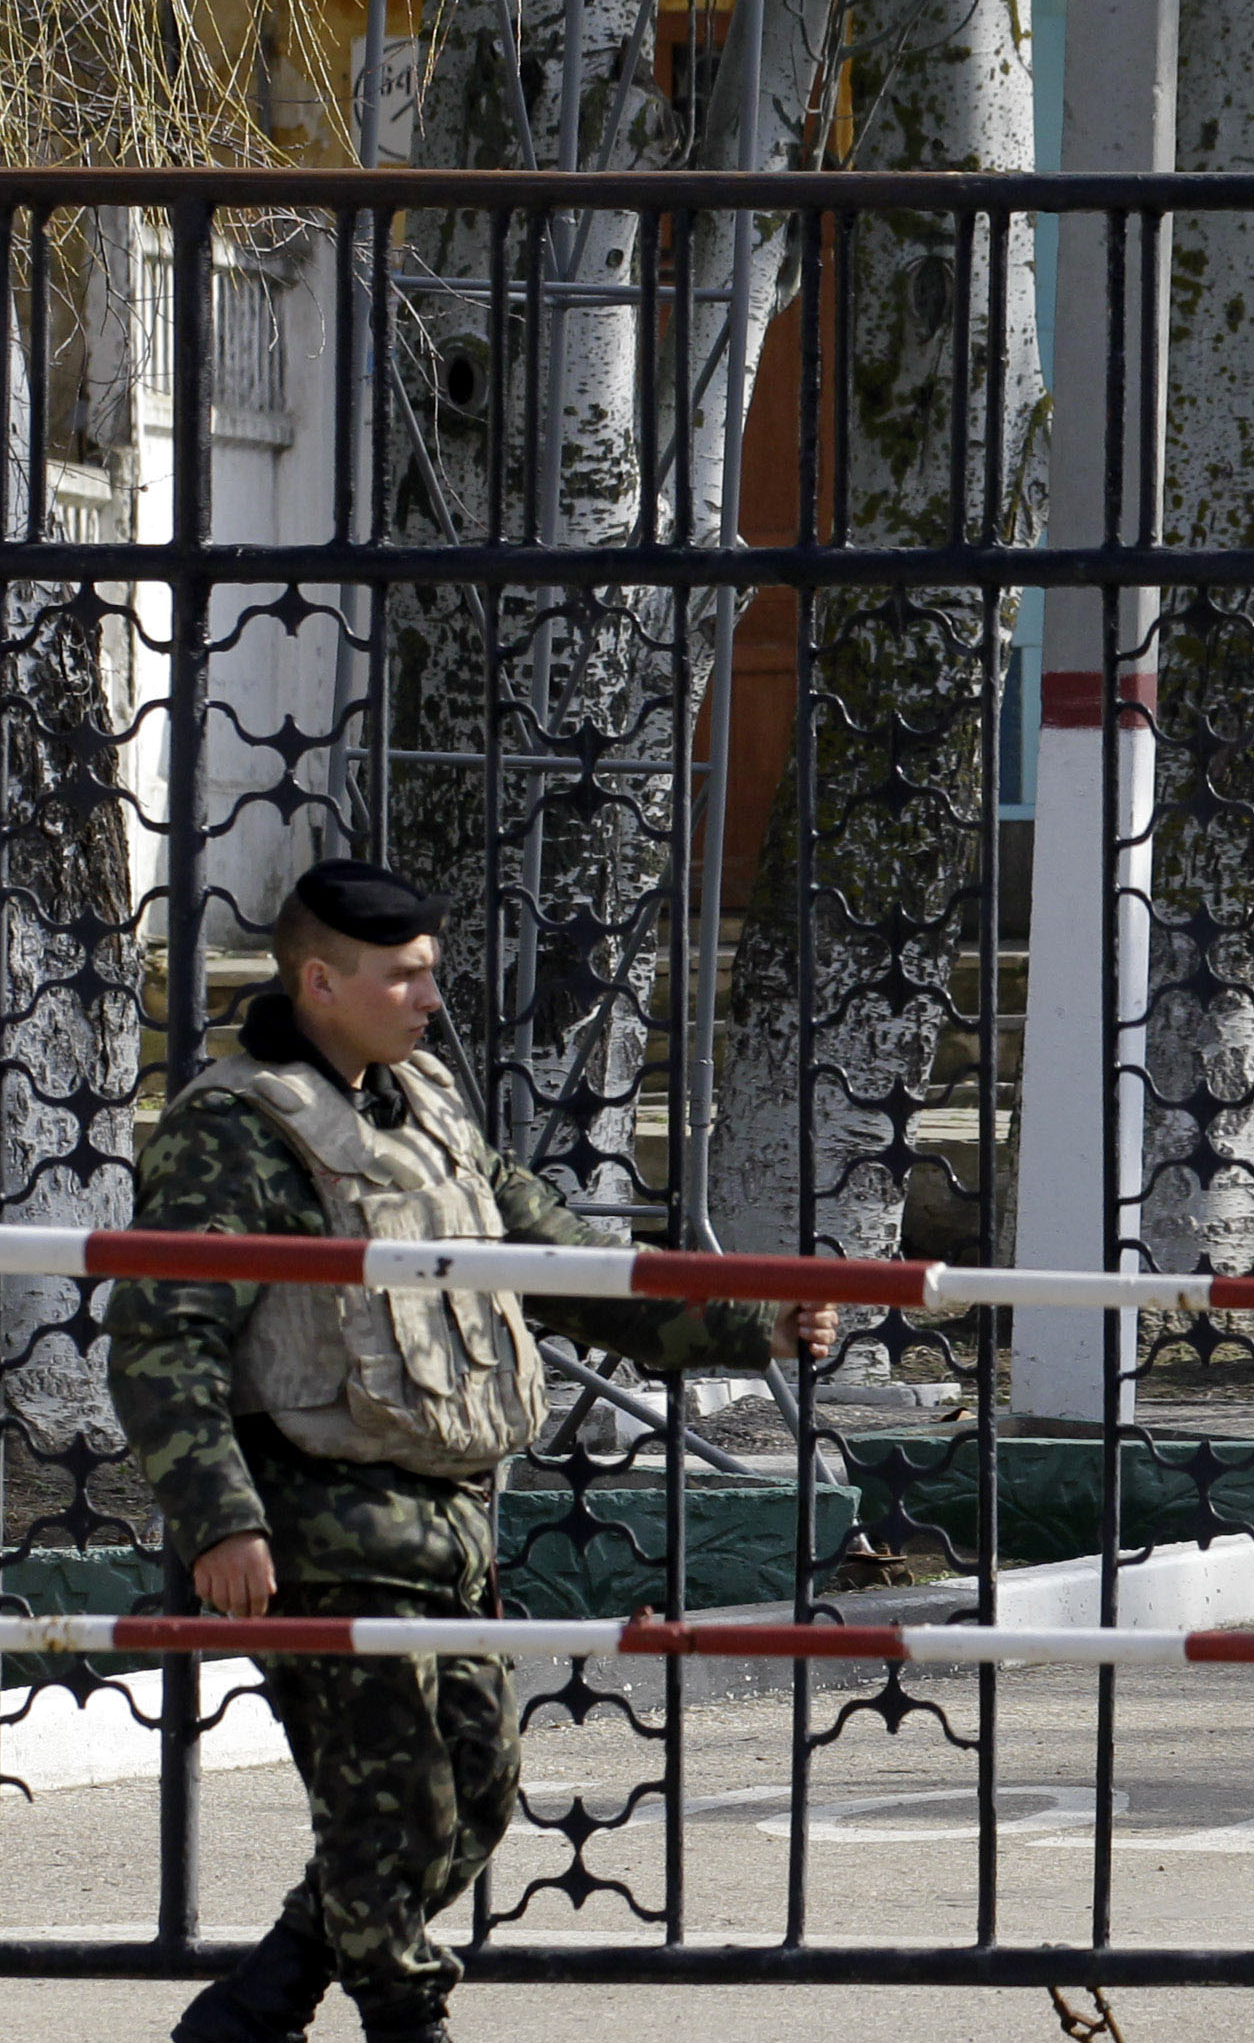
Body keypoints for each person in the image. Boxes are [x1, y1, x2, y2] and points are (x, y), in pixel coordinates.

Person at [107, 859, 839, 2043]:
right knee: (388, 1806)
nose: (430, 998)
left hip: (449, 1524)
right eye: (403, 976)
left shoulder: (429, 1106)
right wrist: (220, 1519)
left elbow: (560, 1264)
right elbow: (166, 1334)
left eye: (431, 972)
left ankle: (254, 2005)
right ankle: (405, 2022)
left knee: (475, 1796)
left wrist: (751, 1320)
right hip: (322, 1527)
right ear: (319, 982)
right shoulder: (233, 1131)